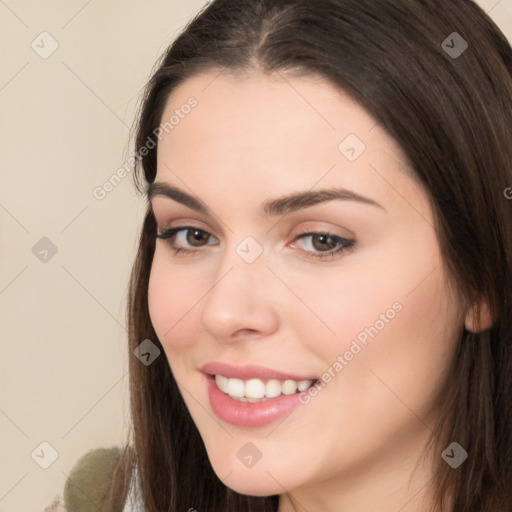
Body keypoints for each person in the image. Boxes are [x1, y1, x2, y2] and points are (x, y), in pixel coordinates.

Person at [64, 0, 512, 511]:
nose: (223, 311)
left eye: (321, 240)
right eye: (191, 234)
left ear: (483, 277)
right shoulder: (105, 499)